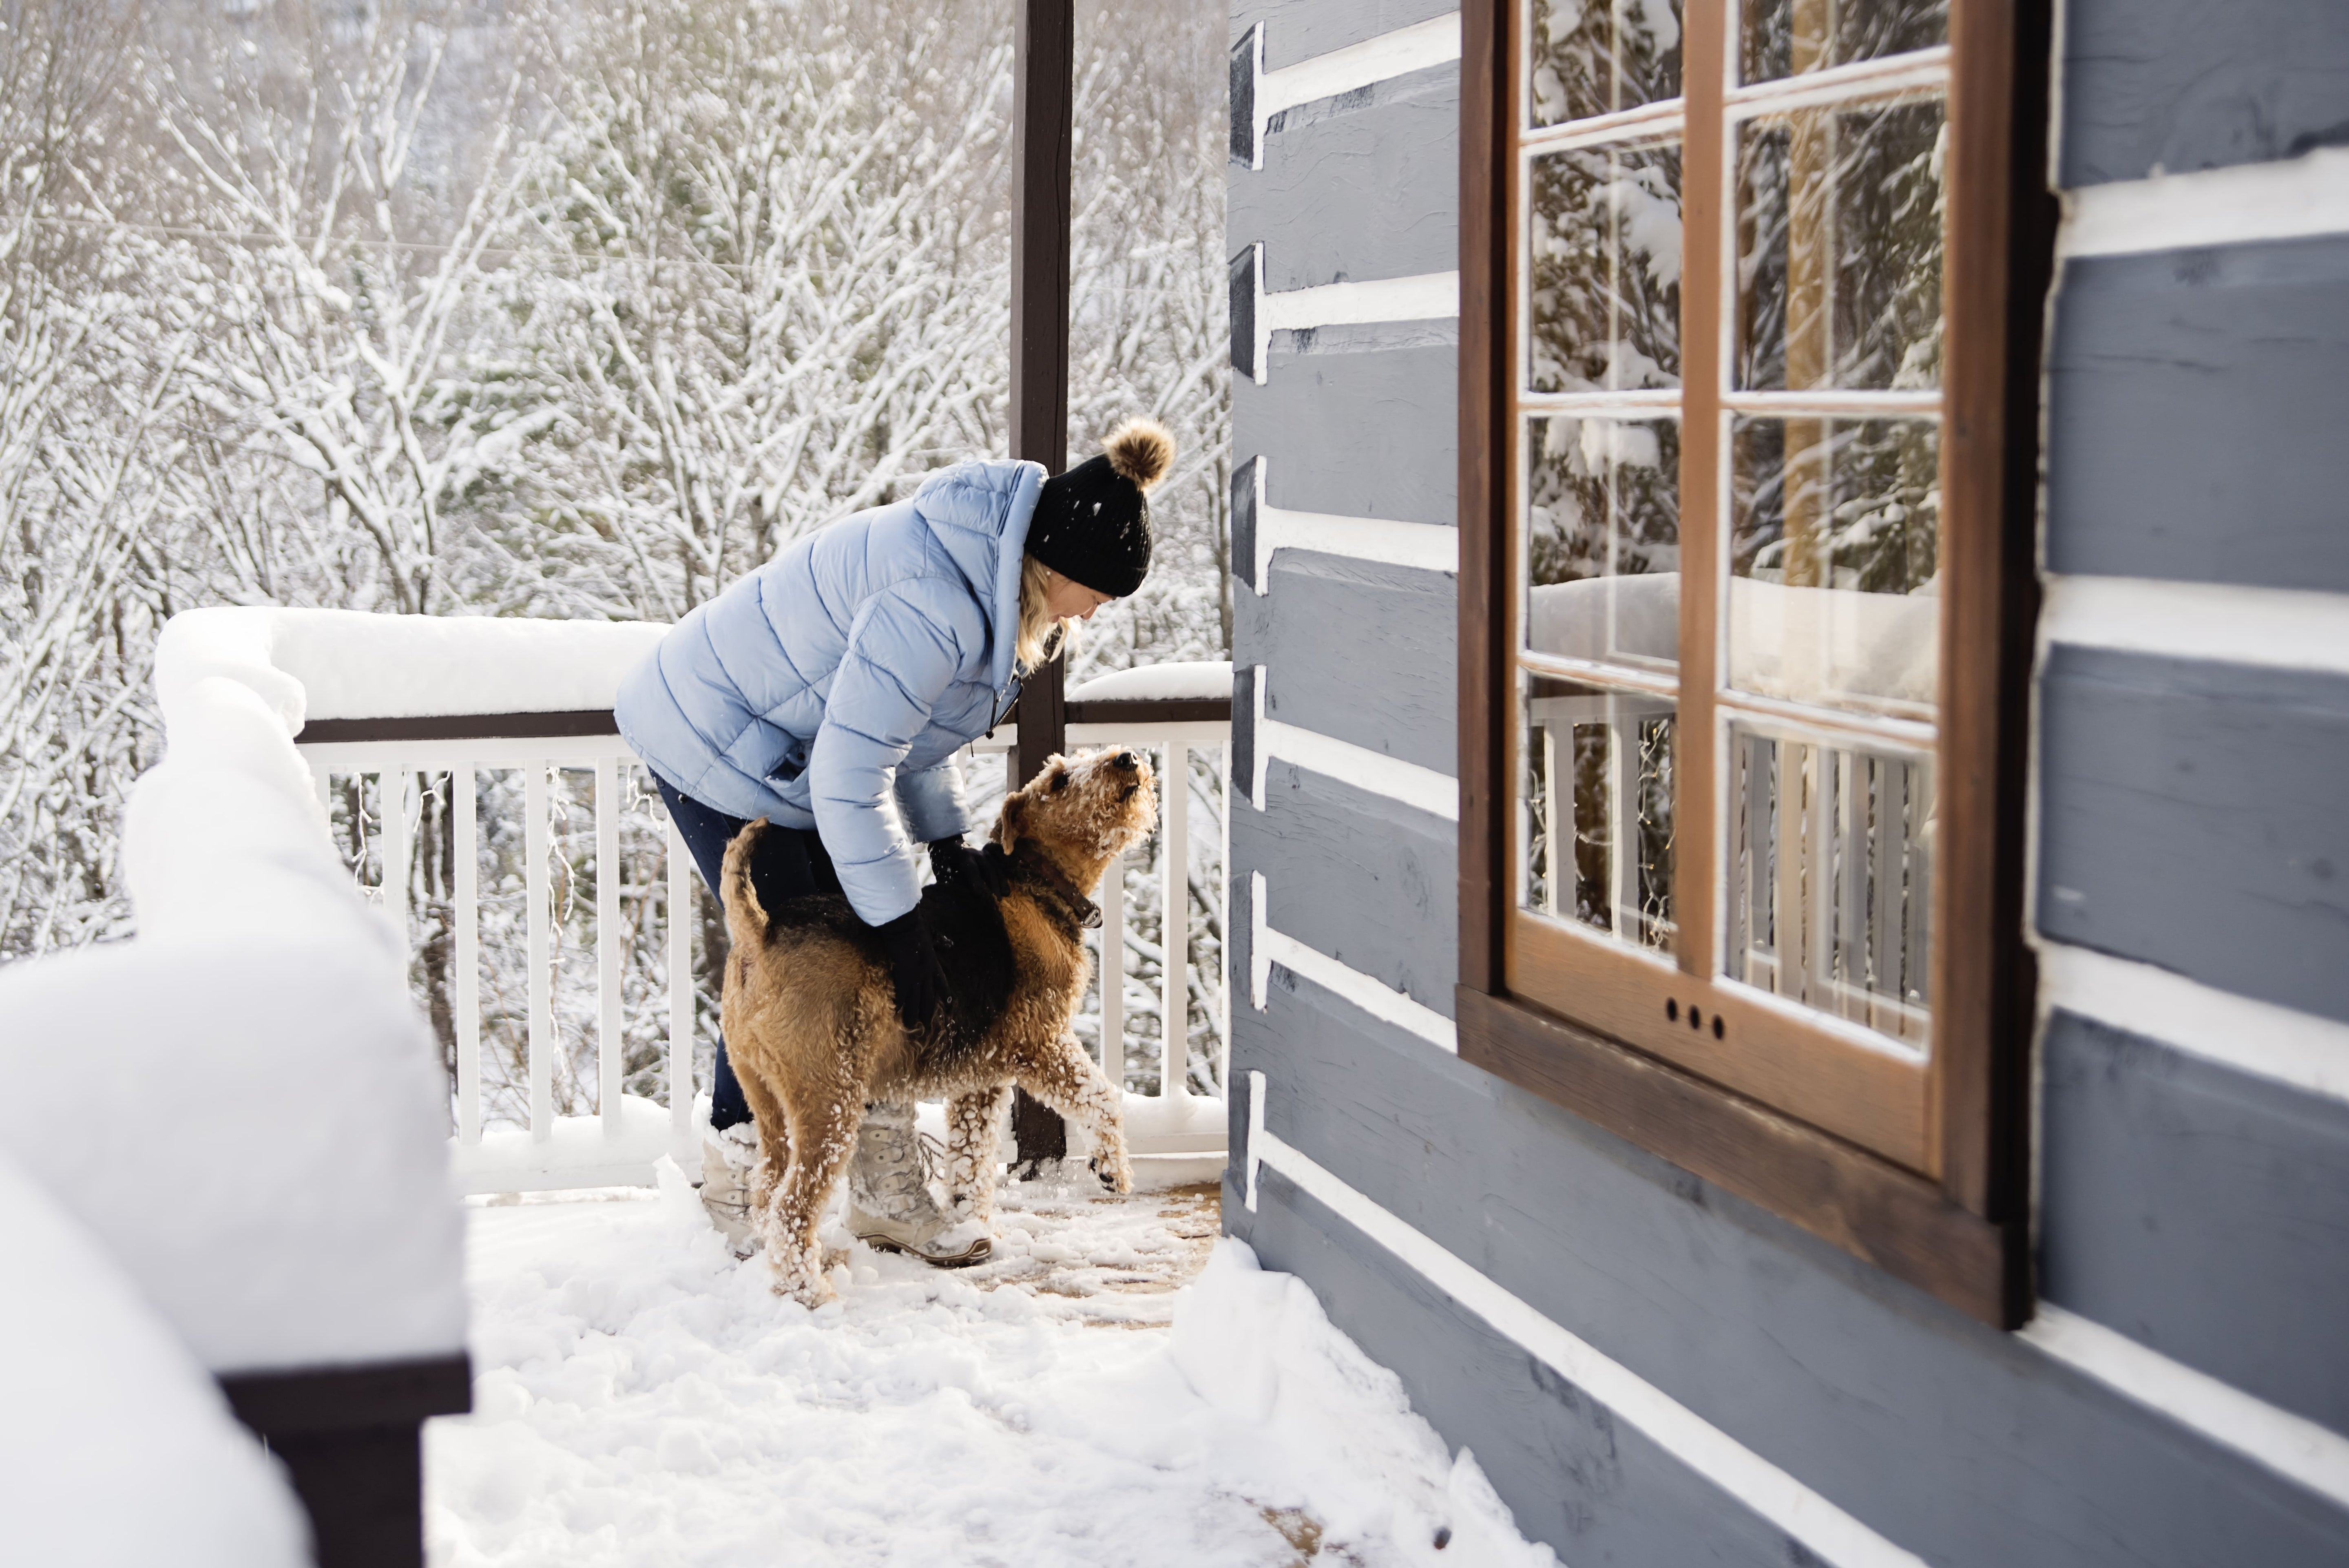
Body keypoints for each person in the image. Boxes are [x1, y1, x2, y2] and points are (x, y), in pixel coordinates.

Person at [615, 420, 1174, 1263]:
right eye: (1097, 593)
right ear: (1056, 568)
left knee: (848, 959)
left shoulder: (983, 577)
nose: (1095, 612)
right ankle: (746, 1182)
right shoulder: (937, 603)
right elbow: (849, 773)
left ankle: (877, 1191)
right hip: (716, 741)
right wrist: (898, 921)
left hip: (790, 753)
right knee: (803, 965)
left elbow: (908, 733)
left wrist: (945, 841)